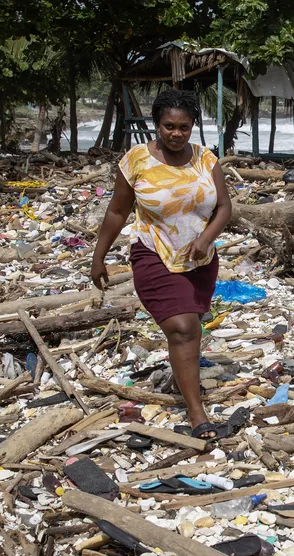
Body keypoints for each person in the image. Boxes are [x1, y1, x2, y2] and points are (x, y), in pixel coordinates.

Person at [91, 89, 234, 438]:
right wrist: (99, 256)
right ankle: (197, 414)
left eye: (184, 127)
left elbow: (224, 207)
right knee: (183, 328)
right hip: (153, 252)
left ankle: (181, 377)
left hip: (200, 259)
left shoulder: (205, 159)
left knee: (190, 327)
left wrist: (205, 239)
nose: (176, 134)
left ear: (192, 128)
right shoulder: (137, 160)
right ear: (156, 124)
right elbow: (117, 210)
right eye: (169, 126)